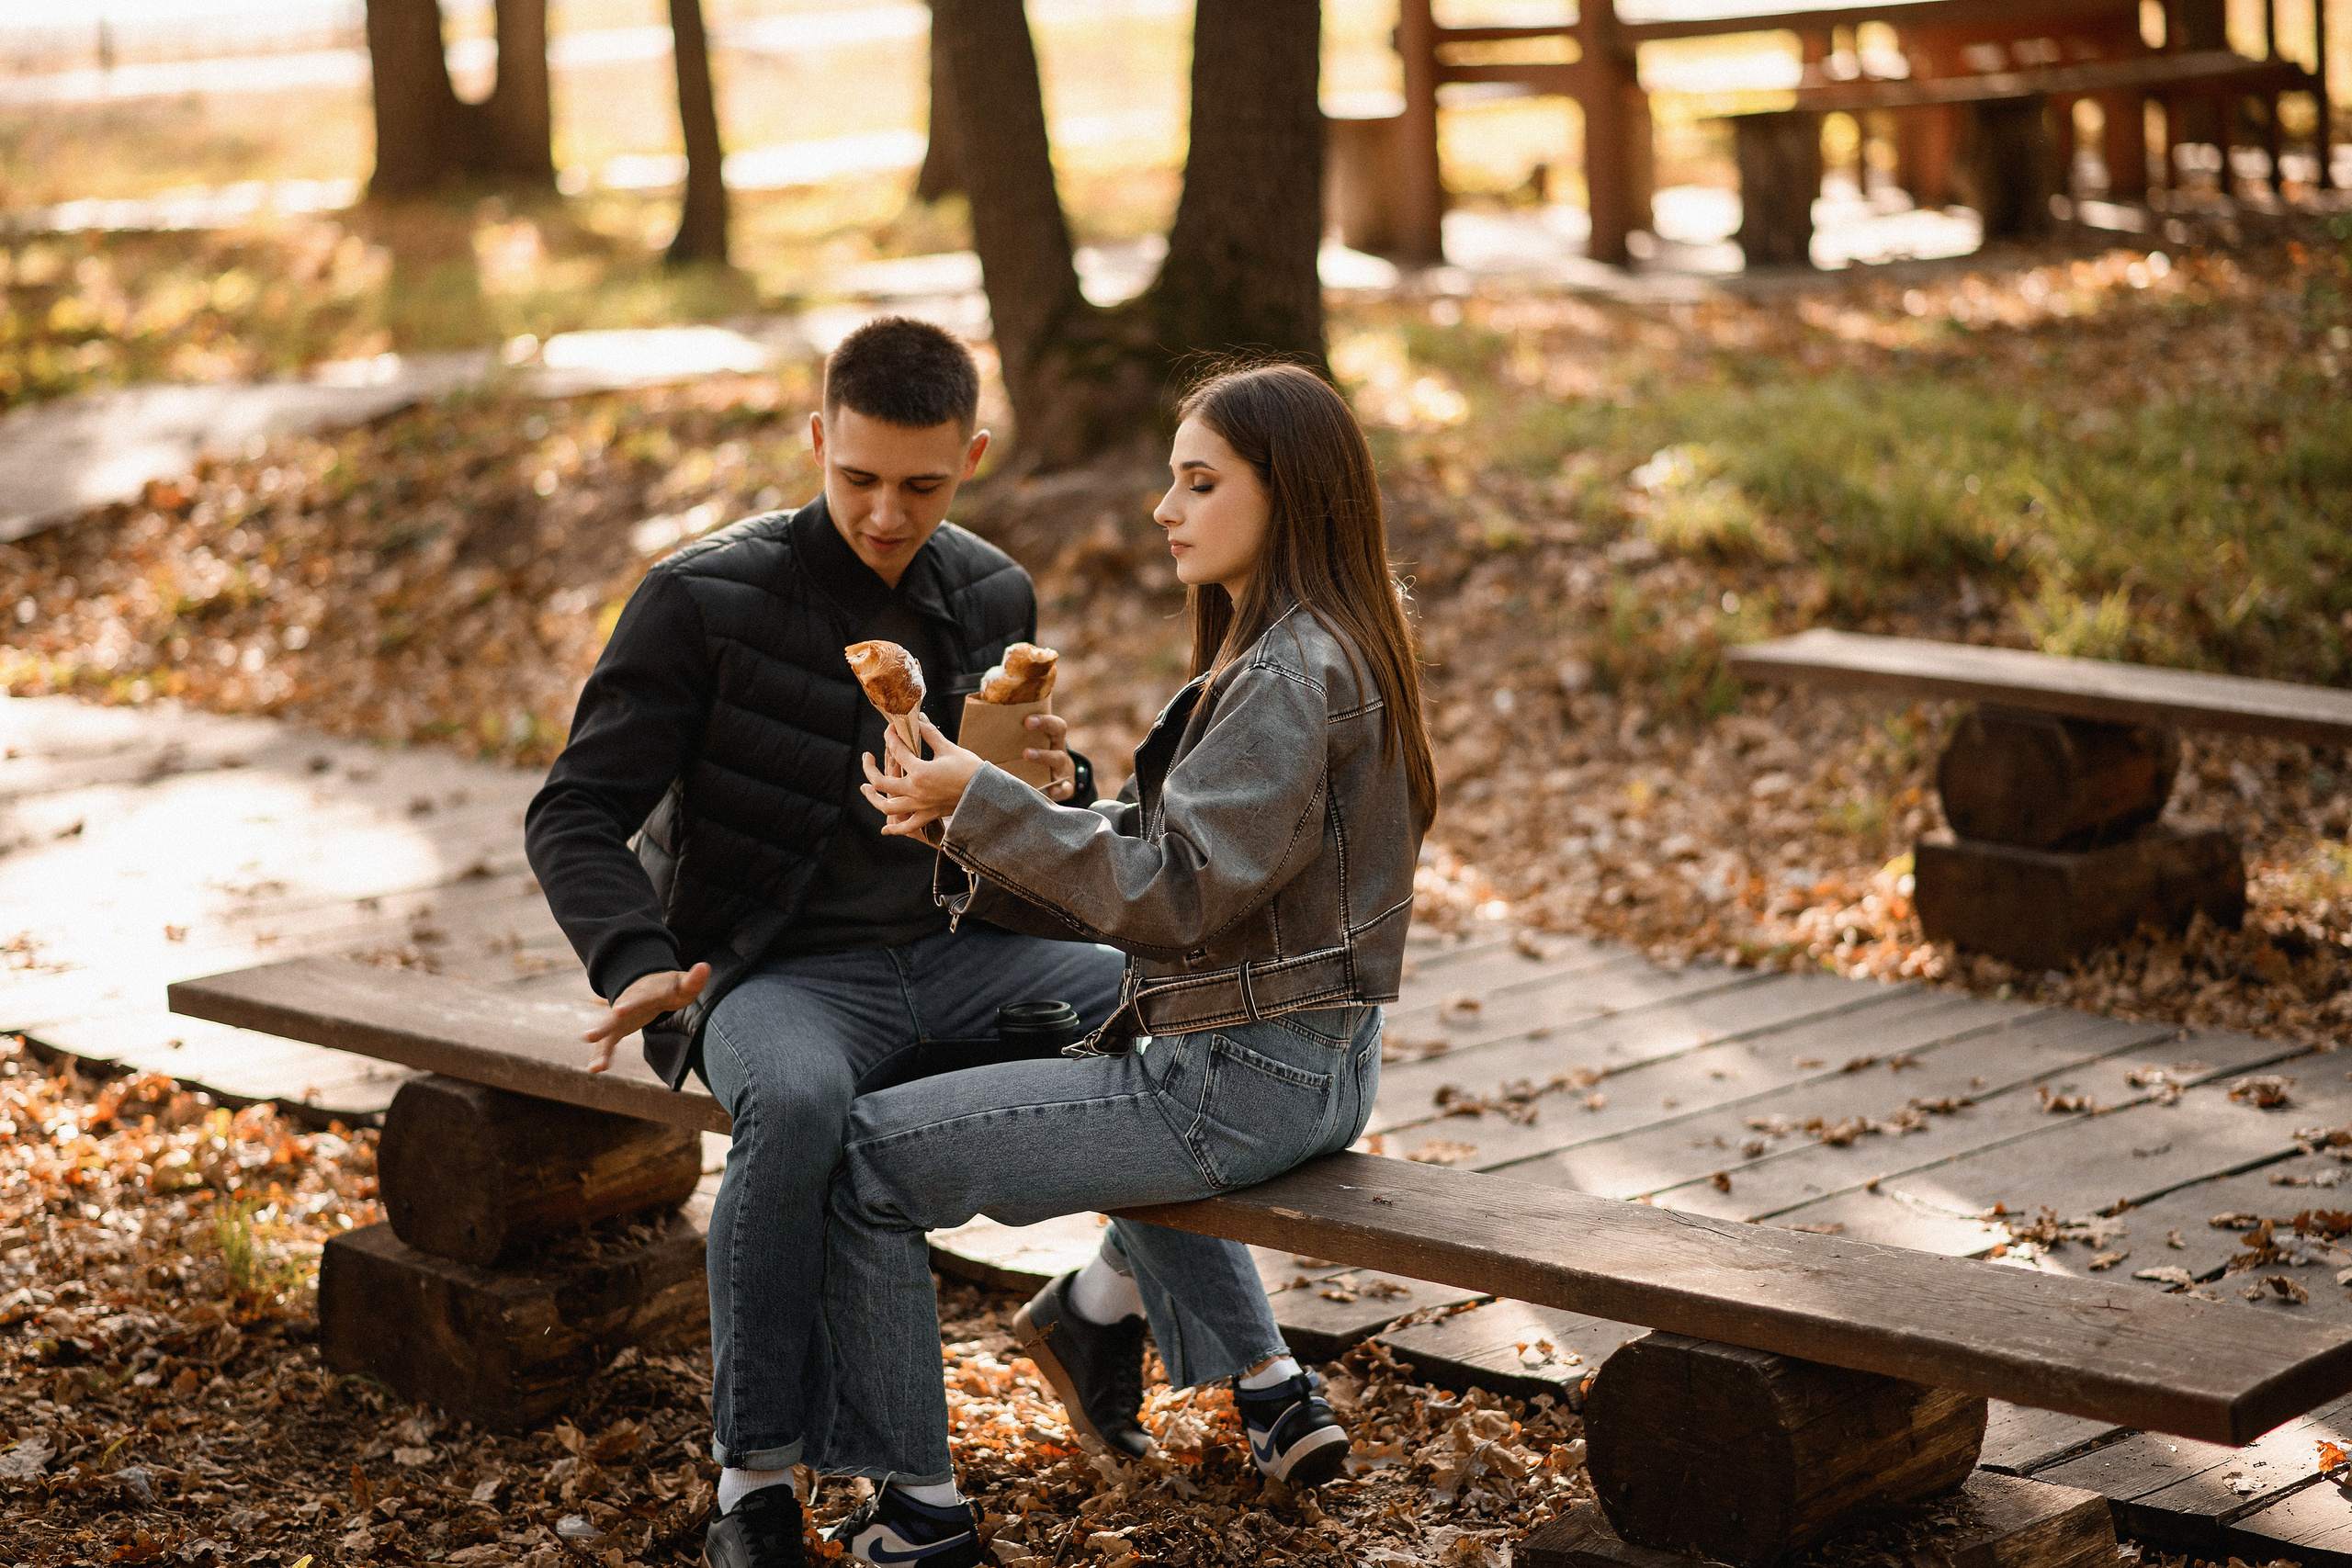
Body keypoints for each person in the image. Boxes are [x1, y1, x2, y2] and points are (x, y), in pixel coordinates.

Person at [525, 318, 1154, 1568]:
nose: (883, 513)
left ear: (971, 457)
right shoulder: (701, 597)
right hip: (765, 974)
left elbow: (1014, 809)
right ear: (817, 440)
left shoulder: (993, 592)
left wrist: (1059, 783)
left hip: (959, 953)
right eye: (857, 476)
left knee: (1178, 1005)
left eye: (921, 485)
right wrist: (635, 959)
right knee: (802, 1102)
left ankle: (1105, 1305)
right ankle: (753, 1483)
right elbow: (575, 810)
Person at [820, 362, 1438, 1568]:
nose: (1166, 509)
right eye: (1172, 480)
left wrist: (987, 805)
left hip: (1230, 1085)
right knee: (1077, 1058)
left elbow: (1178, 898)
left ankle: (918, 1511)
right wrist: (1023, 803)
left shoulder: (1285, 674)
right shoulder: (1326, 646)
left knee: (864, 1159)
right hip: (1319, 1070)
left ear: (1289, 494)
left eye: (1201, 483)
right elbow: (1208, 861)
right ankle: (1111, 1320)